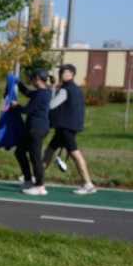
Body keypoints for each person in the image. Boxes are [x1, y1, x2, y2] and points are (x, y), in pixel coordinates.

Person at [44, 63, 97, 194]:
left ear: (72, 74)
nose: (62, 74)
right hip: (68, 126)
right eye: (62, 72)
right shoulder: (76, 88)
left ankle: (88, 184)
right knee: (49, 151)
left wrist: (52, 89)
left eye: (66, 72)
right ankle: (37, 177)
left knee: (75, 153)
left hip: (65, 127)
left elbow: (51, 105)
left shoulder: (65, 89)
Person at [15, 68, 52, 196]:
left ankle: (40, 186)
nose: (30, 80)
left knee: (35, 157)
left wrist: (15, 106)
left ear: (37, 79)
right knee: (19, 152)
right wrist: (17, 82)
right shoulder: (42, 91)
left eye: (32, 78)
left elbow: (27, 110)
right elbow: (27, 92)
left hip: (37, 129)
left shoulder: (42, 94)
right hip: (33, 128)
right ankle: (28, 180)